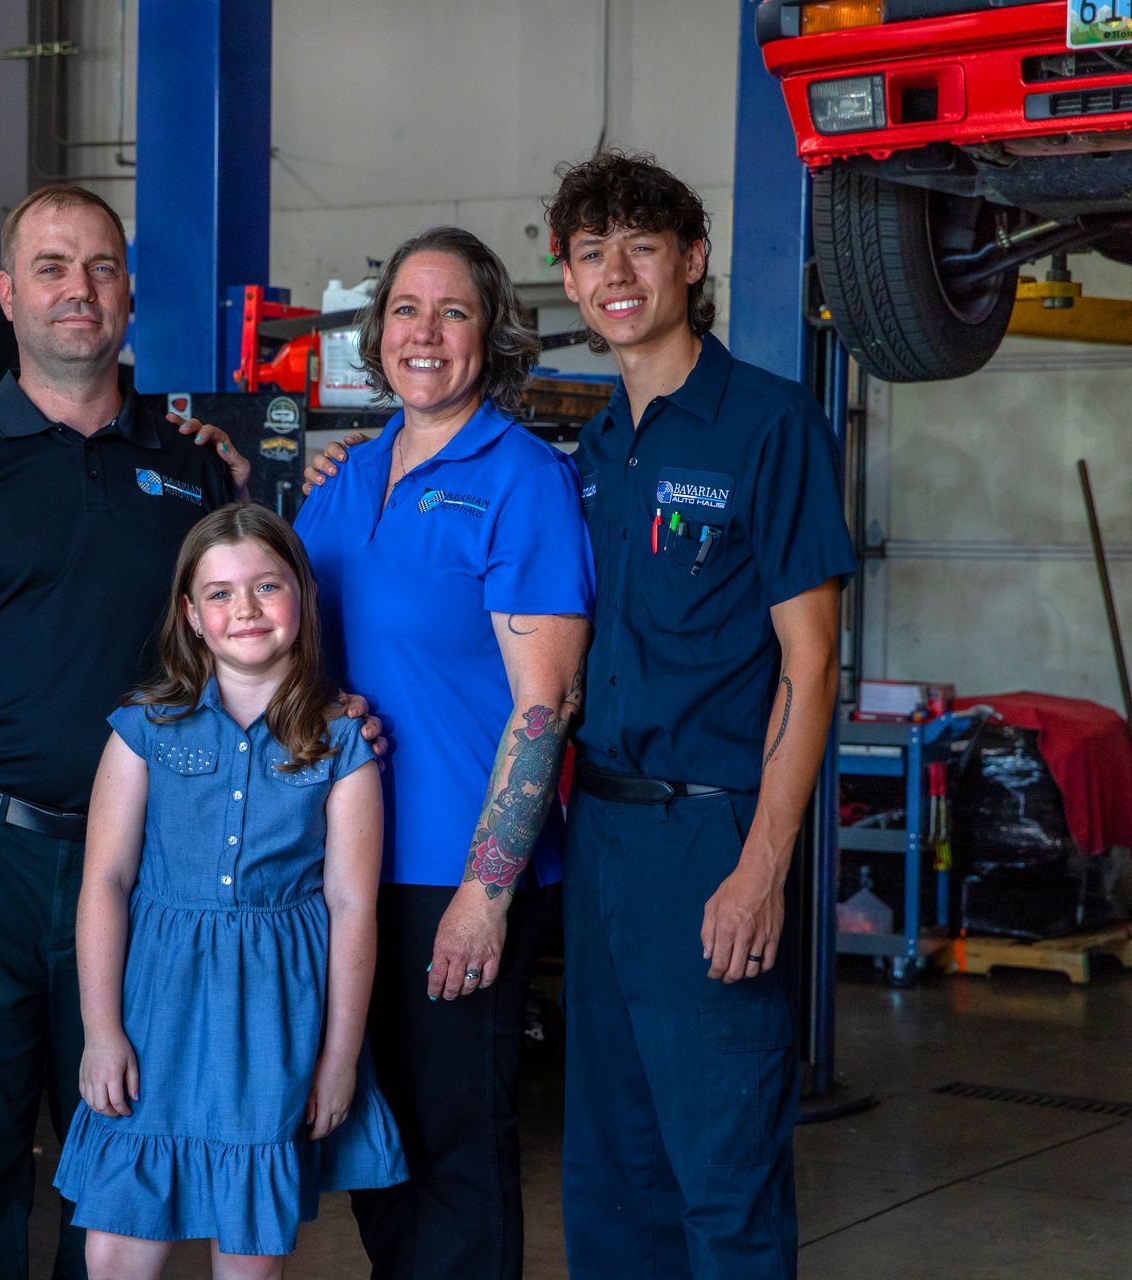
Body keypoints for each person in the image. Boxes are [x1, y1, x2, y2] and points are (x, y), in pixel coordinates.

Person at [0, 183, 268, 1280]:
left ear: (130, 293)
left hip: (143, 860)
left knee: (120, 1151)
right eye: (49, 266)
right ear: (8, 294)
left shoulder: (195, 470)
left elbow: (255, 641)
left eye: (98, 267)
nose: (76, 288)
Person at [546, 151, 854, 1276]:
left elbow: (809, 664)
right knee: (613, 1170)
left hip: (711, 835)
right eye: (591, 253)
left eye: (639, 244)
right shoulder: (594, 447)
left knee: (720, 1178)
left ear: (693, 259)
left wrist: (762, 865)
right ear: (570, 283)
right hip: (604, 839)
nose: (615, 272)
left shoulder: (768, 426)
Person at [289, 227, 593, 1278]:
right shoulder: (340, 481)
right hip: (343, 871)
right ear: (378, 338)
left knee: (458, 1151)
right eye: (406, 311)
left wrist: (487, 890)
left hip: (451, 871)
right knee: (375, 1146)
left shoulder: (522, 480)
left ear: (491, 334)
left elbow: (545, 703)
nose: (426, 332)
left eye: (453, 311)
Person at [54, 504, 406, 1278]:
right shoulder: (143, 729)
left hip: (274, 1024)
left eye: (266, 586)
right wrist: (101, 1030)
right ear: (191, 615)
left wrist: (339, 1058)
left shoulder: (343, 743)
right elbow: (106, 882)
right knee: (114, 1248)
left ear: (304, 599)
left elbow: (352, 907)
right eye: (219, 593)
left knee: (248, 1254)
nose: (244, 609)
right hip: (157, 1012)